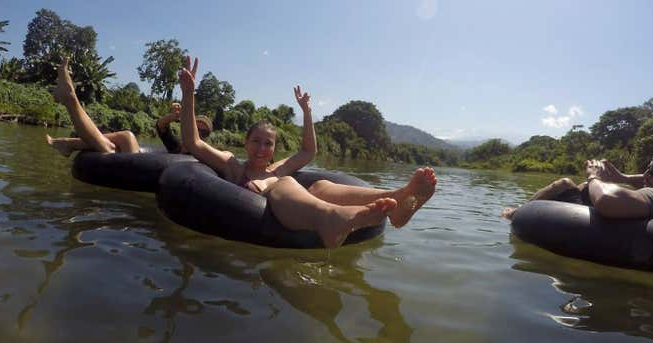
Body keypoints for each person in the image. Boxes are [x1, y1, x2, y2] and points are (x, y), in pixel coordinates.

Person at [178, 56, 437, 248]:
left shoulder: (276, 169)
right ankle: (329, 219)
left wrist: (307, 112)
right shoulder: (233, 165)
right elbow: (194, 142)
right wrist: (189, 93)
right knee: (286, 182)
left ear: (274, 149)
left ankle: (399, 198)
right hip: (255, 220)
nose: (261, 148)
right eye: (256, 141)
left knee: (321, 186)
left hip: (297, 205)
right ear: (246, 143)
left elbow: (308, 151)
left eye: (268, 143)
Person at [45, 57, 211, 156]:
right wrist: (174, 117)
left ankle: (70, 101)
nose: (199, 133)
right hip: (137, 166)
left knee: (125, 138)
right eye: (196, 127)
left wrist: (188, 93)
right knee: (120, 140)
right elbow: (161, 126)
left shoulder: (199, 156)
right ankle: (68, 140)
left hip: (144, 175)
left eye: (203, 132)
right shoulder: (176, 146)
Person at [502, 144, 653, 220]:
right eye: (647, 169)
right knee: (584, 187)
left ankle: (519, 214)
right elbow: (646, 181)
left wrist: (593, 176)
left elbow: (607, 201)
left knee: (564, 183)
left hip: (599, 214)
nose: (646, 175)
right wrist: (620, 178)